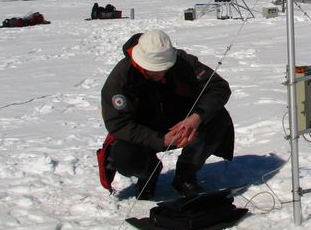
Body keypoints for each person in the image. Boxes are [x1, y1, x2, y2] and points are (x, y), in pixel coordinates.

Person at [99, 29, 234, 200]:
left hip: (179, 122)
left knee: (217, 117)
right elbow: (117, 124)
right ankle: (148, 175)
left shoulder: (182, 61)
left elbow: (218, 87)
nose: (161, 73)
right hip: (144, 130)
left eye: (165, 68)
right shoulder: (120, 79)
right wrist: (160, 140)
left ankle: (185, 176)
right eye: (155, 69)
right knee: (123, 156)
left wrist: (196, 117)